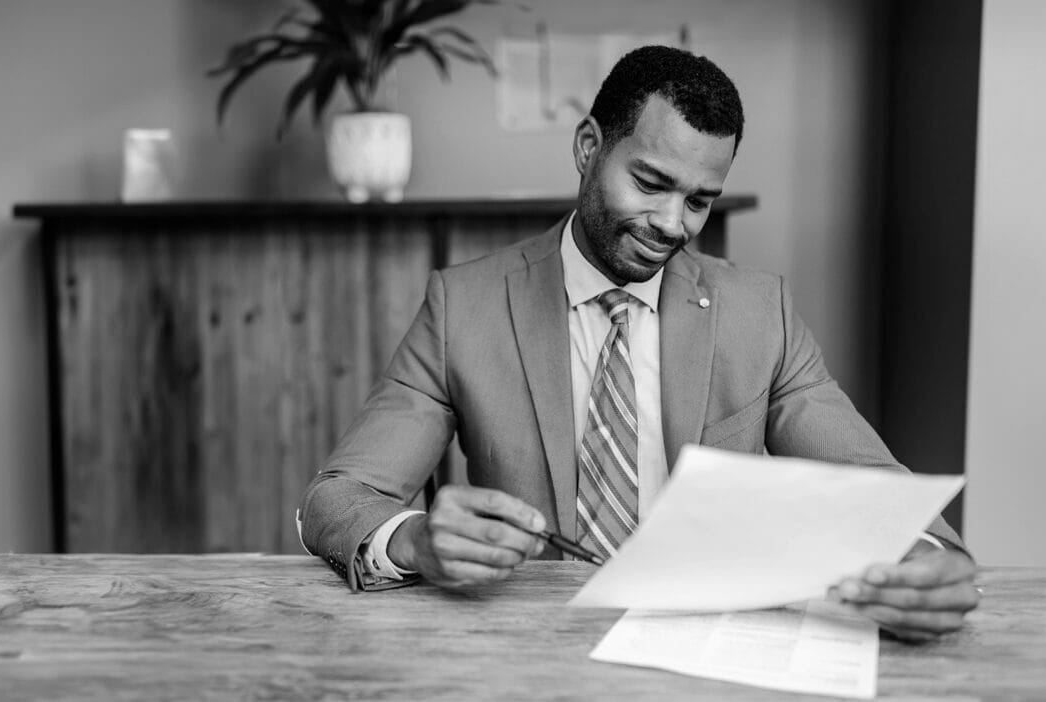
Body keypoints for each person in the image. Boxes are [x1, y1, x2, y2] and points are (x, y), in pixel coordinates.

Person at [299, 45, 979, 642]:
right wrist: (414, 541)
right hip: (531, 645)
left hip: (713, 645)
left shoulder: (758, 311)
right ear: (588, 146)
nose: (670, 223)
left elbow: (876, 486)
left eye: (699, 200)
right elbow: (336, 498)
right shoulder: (464, 307)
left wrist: (925, 559)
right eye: (650, 184)